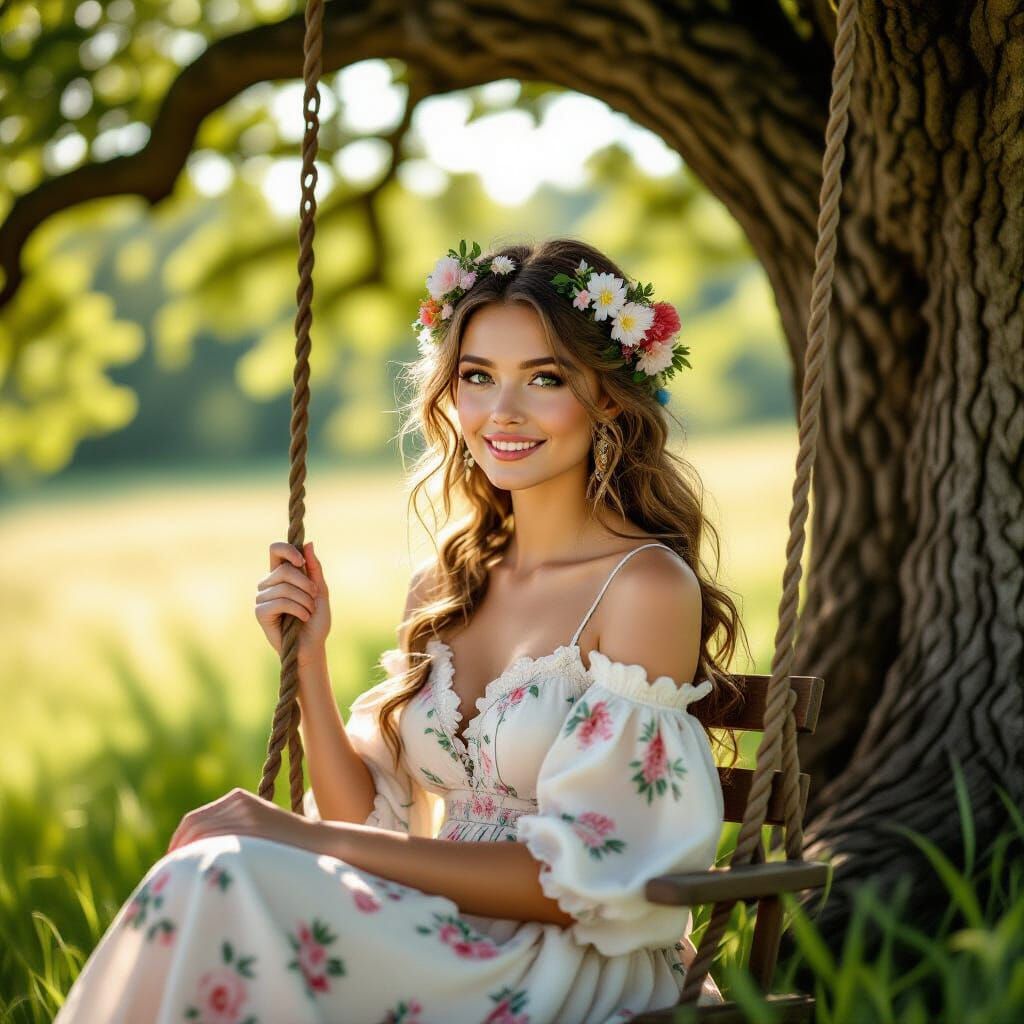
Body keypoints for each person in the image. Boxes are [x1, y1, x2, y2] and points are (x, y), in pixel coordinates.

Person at [56, 237, 748, 1023]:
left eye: (545, 378)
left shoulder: (643, 588)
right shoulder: (447, 585)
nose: (502, 412)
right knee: (210, 876)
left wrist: (297, 838)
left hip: (564, 962)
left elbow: (584, 881)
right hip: (442, 931)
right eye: (477, 376)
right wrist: (307, 661)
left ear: (610, 398)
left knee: (216, 876)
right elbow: (361, 819)